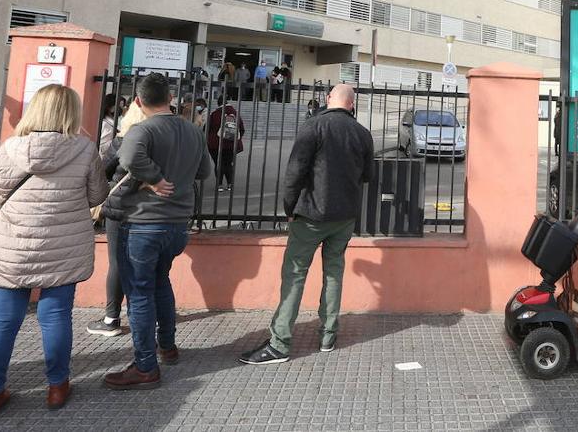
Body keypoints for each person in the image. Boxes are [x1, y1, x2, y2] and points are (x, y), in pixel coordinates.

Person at [0, 84, 108, 421]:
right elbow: (96, 196)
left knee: (3, 322)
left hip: (12, 246)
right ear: (71, 113)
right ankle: (57, 386)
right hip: (62, 246)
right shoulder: (84, 148)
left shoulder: (10, 148)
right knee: (56, 316)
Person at [240, 84, 374, 365]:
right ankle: (328, 335)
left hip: (311, 214)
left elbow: (295, 171)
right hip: (345, 216)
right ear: (352, 104)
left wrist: (289, 208)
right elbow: (367, 176)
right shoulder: (363, 133)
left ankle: (280, 344)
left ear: (328, 100)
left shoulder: (313, 126)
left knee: (295, 274)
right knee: (334, 272)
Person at [101, 73, 213, 389]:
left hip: (142, 225)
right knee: (161, 281)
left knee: (139, 293)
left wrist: (152, 175)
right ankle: (168, 346)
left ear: (138, 101)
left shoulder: (143, 129)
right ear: (170, 98)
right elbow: (205, 171)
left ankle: (145, 366)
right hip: (177, 226)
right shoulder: (193, 130)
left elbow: (126, 156)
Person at [87, 100, 146, 339]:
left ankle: (111, 318)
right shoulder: (162, 140)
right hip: (151, 211)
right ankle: (143, 314)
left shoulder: (122, 141)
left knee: (117, 262)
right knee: (145, 264)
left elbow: (103, 172)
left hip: (120, 209)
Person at [207, 97, 244, 192]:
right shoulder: (235, 113)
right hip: (232, 145)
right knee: (228, 164)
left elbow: (208, 129)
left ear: (218, 104)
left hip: (216, 145)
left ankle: (219, 185)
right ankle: (230, 184)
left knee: (218, 164)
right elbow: (242, 129)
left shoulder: (215, 114)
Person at [98, 95, 120, 161]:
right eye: (119, 105)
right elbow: (101, 147)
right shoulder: (105, 124)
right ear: (111, 108)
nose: (123, 108)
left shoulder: (114, 122)